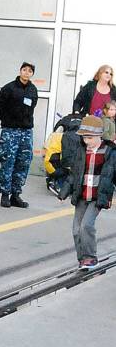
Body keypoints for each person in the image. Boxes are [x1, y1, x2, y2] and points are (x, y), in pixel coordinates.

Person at [58, 115, 116, 268]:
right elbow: (74, 173)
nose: (86, 141)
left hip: (98, 196)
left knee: (86, 226)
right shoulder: (82, 151)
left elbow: (113, 174)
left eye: (90, 138)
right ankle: (82, 258)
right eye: (84, 138)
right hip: (82, 195)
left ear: (99, 135)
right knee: (76, 229)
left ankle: (90, 257)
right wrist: (64, 190)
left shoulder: (109, 152)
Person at [0, 62, 38, 208]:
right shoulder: (9, 88)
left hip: (26, 132)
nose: (26, 73)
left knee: (23, 162)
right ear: (20, 71)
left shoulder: (33, 90)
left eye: (30, 71)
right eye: (24, 70)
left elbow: (32, 107)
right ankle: (5, 194)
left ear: (32, 74)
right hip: (10, 131)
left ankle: (16, 194)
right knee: (8, 161)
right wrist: (8, 121)